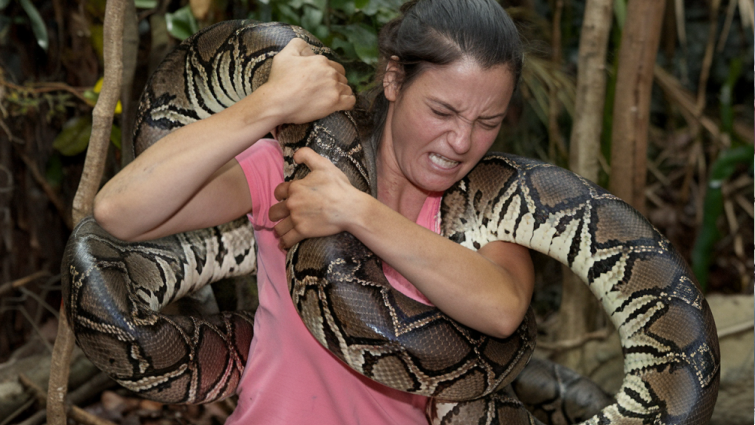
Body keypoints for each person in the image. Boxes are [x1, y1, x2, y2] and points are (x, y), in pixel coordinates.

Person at [93, 0, 534, 422]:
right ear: (395, 80)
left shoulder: (487, 213)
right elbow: (119, 211)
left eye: (487, 122)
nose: (461, 141)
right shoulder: (290, 169)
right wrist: (271, 103)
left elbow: (503, 310)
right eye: (442, 111)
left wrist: (354, 210)